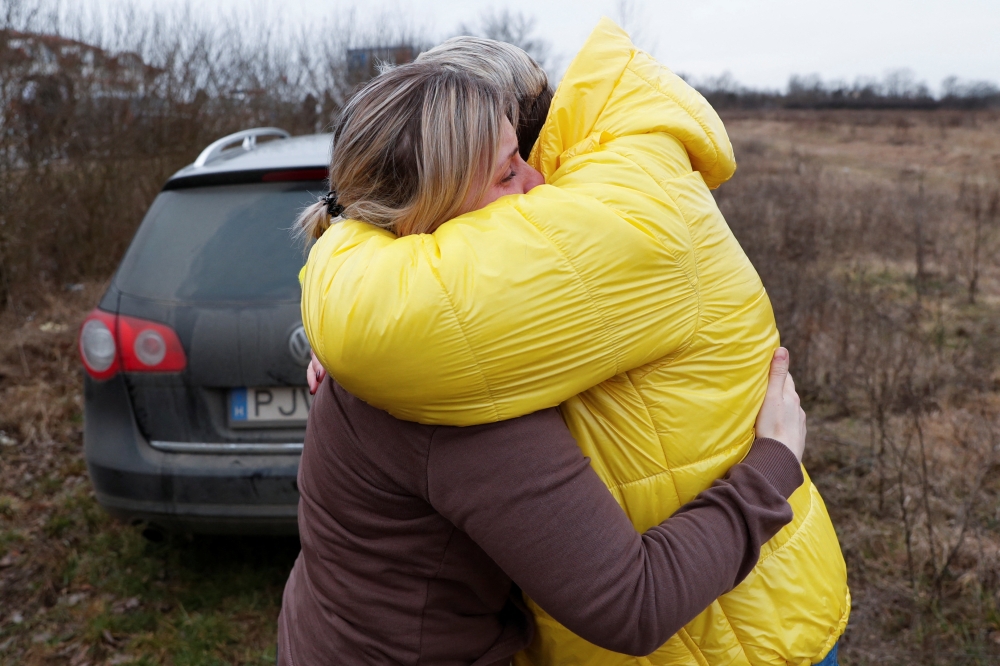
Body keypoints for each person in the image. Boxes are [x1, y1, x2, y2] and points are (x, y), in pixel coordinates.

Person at [298, 22, 848, 666]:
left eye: (529, 157)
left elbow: (384, 306)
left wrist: (341, 301)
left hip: (752, 627)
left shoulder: (478, 308)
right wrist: (775, 461)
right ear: (430, 221)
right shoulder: (445, 372)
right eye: (509, 173)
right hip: (732, 622)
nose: (538, 189)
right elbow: (631, 603)